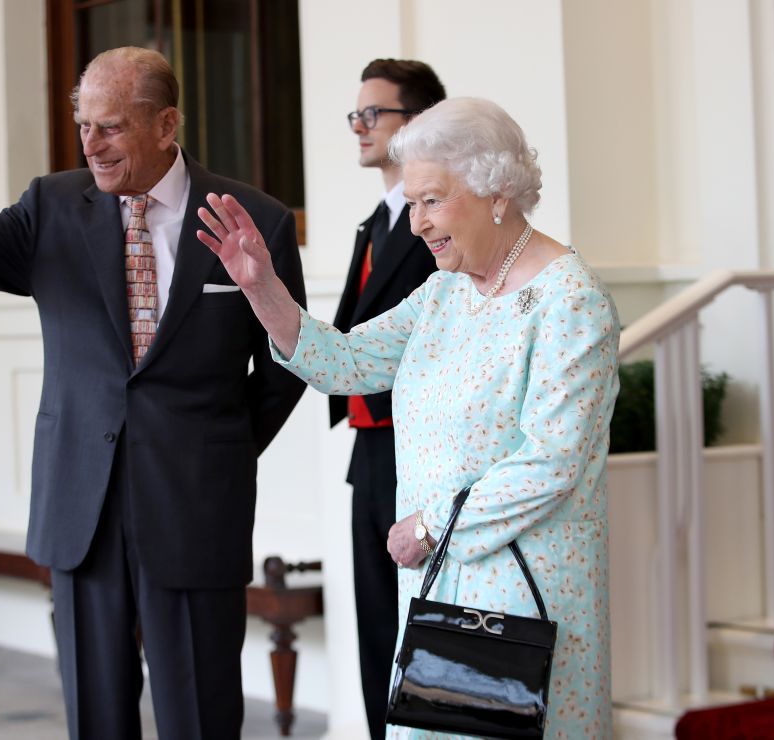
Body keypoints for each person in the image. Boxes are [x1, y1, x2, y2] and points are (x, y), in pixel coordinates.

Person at [0, 47, 307, 740]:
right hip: (80, 508)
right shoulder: (51, 207)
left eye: (111, 126)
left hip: (195, 503)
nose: (90, 142)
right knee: (97, 716)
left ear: (166, 124)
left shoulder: (254, 219)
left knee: (201, 718)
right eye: (83, 123)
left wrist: (223, 450)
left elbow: (287, 360)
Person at [197, 97, 619, 738]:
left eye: (432, 200)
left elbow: (551, 460)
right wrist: (263, 287)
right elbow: (344, 362)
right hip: (438, 583)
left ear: (495, 191)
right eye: (412, 202)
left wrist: (428, 526)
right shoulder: (446, 290)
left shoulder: (569, 301)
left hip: (522, 593)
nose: (417, 222)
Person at [337, 58, 444, 740]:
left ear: (420, 123)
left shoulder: (440, 223)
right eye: (356, 115)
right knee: (375, 625)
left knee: (423, 627)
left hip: (422, 448)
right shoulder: (373, 221)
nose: (359, 126)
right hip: (369, 452)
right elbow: (347, 340)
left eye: (374, 114)